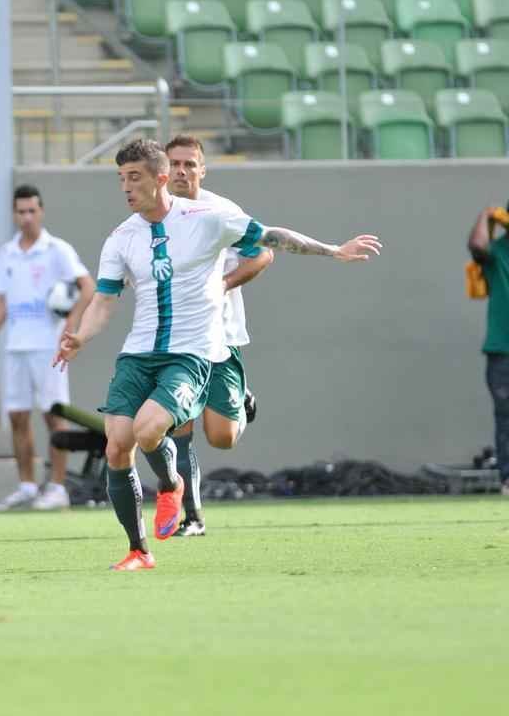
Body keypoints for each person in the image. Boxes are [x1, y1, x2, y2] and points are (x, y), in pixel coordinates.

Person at [55, 139, 380, 571]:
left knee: (151, 430)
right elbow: (104, 299)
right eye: (122, 179)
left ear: (160, 178)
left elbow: (272, 238)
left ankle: (171, 484)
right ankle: (139, 551)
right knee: (117, 446)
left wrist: (332, 249)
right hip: (137, 354)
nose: (126, 187)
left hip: (190, 354)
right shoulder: (121, 238)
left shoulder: (207, 218)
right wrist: (81, 336)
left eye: (134, 177)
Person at [164, 135, 274, 536]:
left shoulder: (222, 211)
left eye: (189, 164)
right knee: (178, 427)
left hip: (220, 337)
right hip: (175, 341)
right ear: (163, 170)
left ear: (202, 170)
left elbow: (264, 252)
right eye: (175, 164)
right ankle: (192, 517)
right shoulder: (155, 215)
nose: (181, 171)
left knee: (221, 437)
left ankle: (240, 402)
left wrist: (224, 283)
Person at [0, 184, 93, 511]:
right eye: (21, 211)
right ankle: (26, 486)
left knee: (54, 416)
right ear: (14, 214)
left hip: (48, 348)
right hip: (16, 347)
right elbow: (3, 303)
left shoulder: (57, 250)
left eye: (31, 211)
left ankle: (58, 487)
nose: (26, 217)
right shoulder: (7, 252)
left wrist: (71, 323)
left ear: (41, 212)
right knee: (17, 417)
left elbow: (88, 287)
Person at [467, 202, 509, 497]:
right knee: (505, 414)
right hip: (502, 350)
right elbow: (477, 246)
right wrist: (486, 215)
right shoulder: (497, 251)